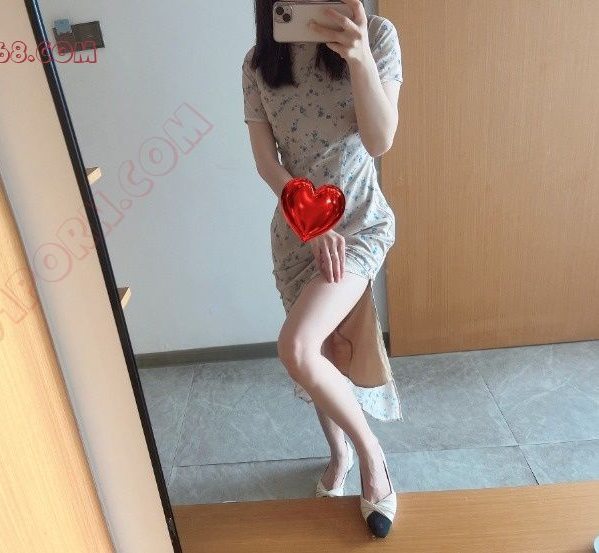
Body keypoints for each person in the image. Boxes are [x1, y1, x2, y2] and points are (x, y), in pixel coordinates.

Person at [241, 0, 404, 538]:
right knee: (317, 355)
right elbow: (267, 162)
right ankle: (338, 454)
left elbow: (380, 141)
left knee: (297, 347)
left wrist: (359, 58)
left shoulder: (374, 35)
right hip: (296, 235)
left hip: (358, 224)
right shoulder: (259, 61)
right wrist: (310, 226)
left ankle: (371, 457)